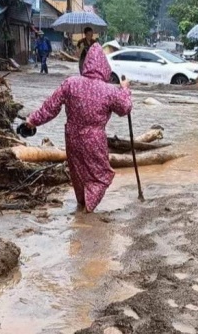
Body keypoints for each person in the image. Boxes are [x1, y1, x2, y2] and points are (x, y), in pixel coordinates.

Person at [21, 43, 132, 213]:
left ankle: (82, 206)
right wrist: (124, 90)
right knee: (102, 175)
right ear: (104, 67)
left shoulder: (71, 83)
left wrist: (32, 121)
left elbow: (50, 107)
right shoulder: (109, 91)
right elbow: (125, 108)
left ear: (86, 64)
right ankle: (88, 209)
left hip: (72, 136)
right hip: (94, 138)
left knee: (78, 175)